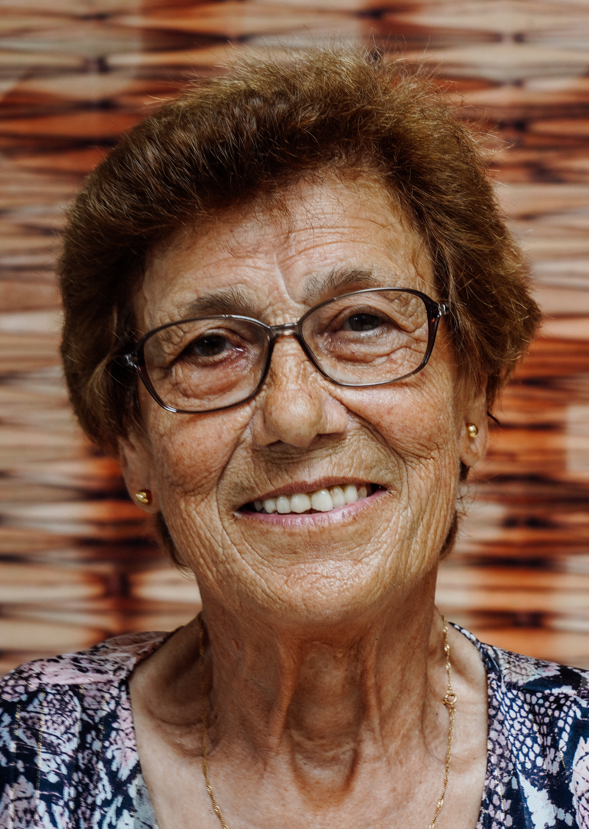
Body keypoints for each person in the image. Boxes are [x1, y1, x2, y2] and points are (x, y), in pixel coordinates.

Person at [0, 46, 586, 829]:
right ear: (134, 443)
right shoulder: (23, 760)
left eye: (363, 322)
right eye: (208, 345)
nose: (295, 415)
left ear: (470, 396)